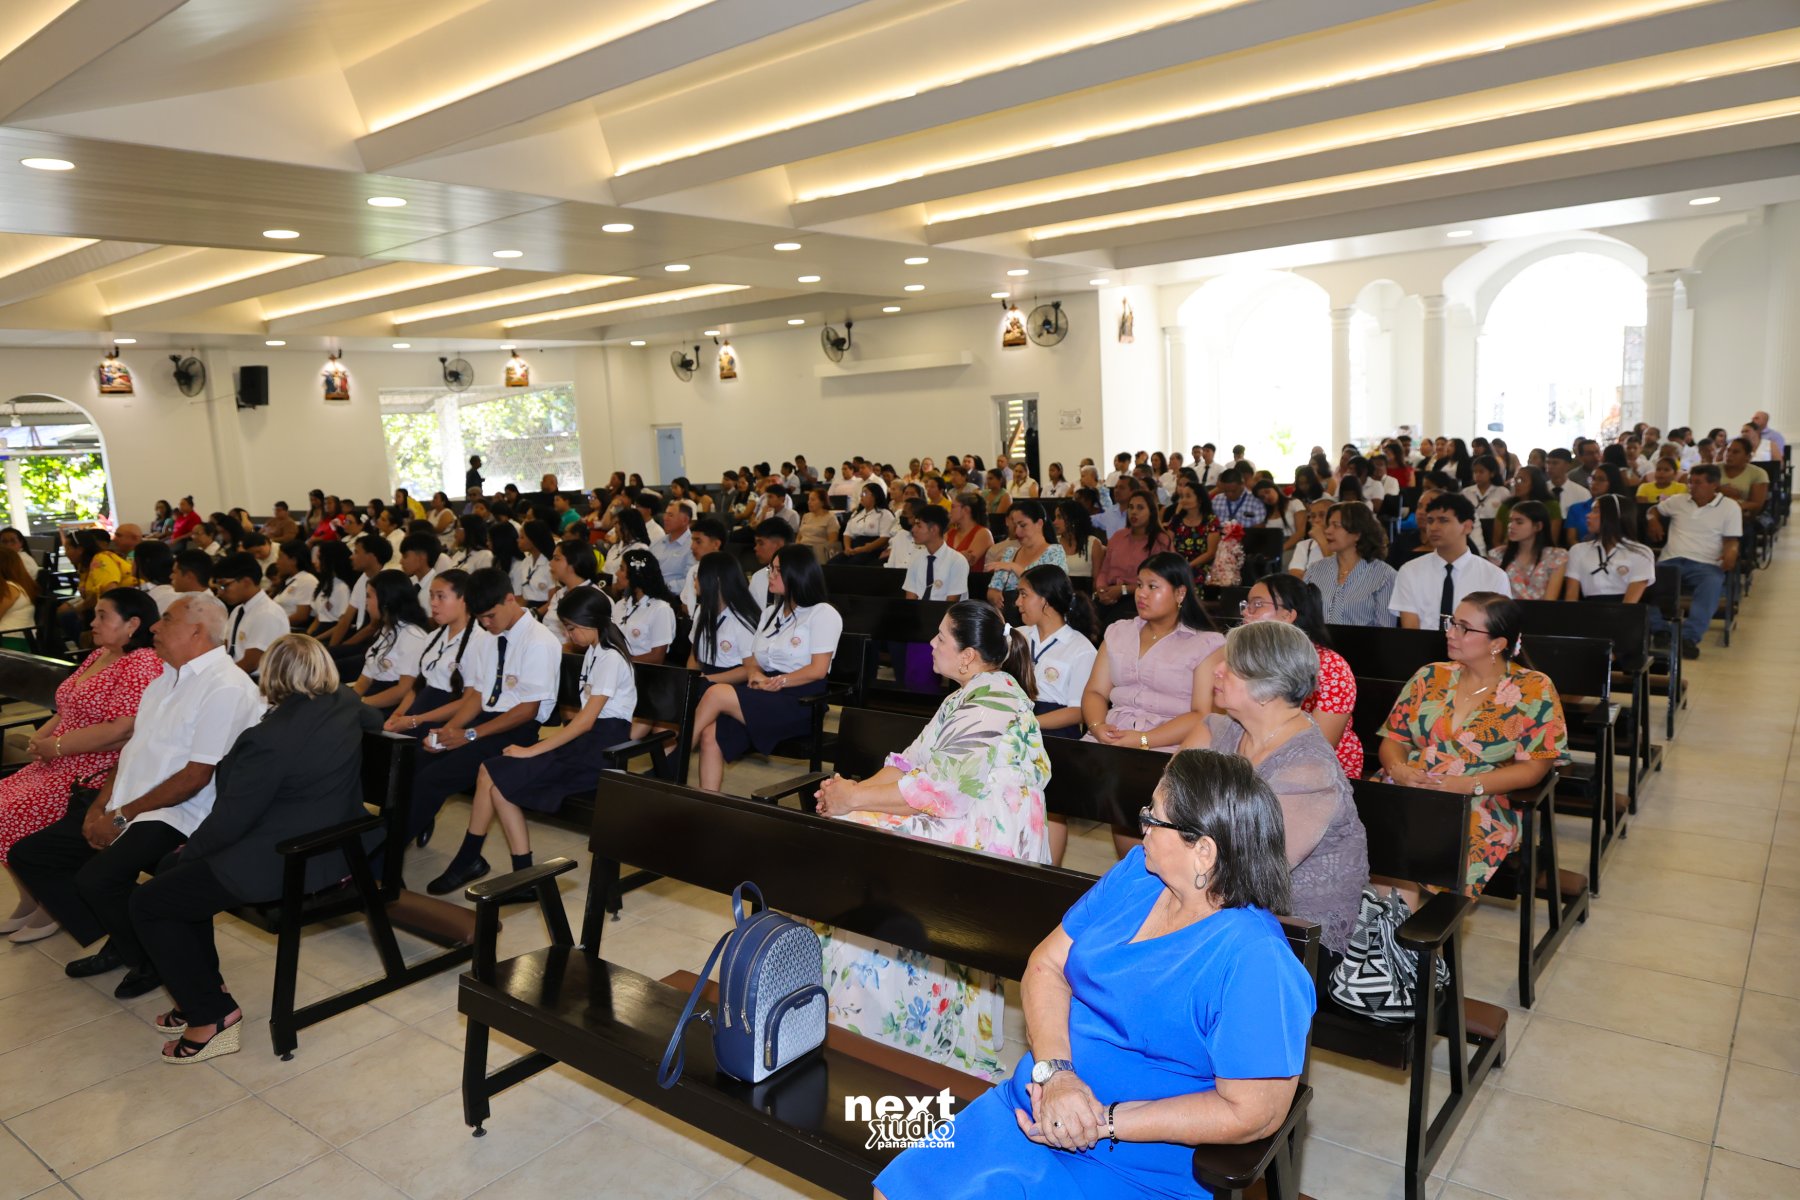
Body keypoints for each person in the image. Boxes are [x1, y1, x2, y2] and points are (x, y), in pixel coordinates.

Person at [873, 749, 1312, 1199]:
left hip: (1134, 1161)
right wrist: (1056, 1074)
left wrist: (1104, 1121)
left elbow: (1253, 1113)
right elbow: (1046, 965)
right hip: (1034, 1104)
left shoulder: (1255, 958)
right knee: (897, 1190)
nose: (1142, 827)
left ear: (1203, 851)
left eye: (1154, 818)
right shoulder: (1139, 876)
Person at [813, 600, 1050, 1077]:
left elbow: (941, 789)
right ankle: (859, 1008)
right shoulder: (966, 695)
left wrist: (855, 800)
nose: (931, 644)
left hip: (988, 838)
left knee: (863, 847)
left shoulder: (995, 699)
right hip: (962, 816)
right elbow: (907, 763)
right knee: (848, 830)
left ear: (967, 656)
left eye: (941, 638)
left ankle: (878, 1017)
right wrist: (850, 794)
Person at [129, 635, 382, 1062]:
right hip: (330, 847)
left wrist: (191, 850)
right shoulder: (343, 701)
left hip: (286, 858)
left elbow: (232, 818)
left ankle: (212, 1016)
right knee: (172, 877)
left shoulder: (270, 738)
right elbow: (375, 720)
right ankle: (204, 992)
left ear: (273, 676)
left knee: (149, 902)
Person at [9, 594, 263, 996]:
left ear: (197, 631)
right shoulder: (165, 678)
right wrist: (99, 805)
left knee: (98, 879)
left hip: (181, 812)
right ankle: (129, 937)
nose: (155, 627)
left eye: (167, 619)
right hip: (133, 800)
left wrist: (121, 816)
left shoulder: (226, 687)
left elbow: (196, 777)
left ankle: (149, 957)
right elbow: (131, 751)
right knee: (31, 855)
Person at [427, 590, 637, 895]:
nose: (569, 634)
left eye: (571, 627)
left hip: (600, 751)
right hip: (586, 742)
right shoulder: (595, 651)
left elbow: (586, 722)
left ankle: (480, 862)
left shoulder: (611, 658)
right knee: (495, 778)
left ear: (591, 622)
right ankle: (519, 876)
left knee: (495, 776)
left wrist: (532, 750)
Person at [1173, 621, 1367, 953]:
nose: (1216, 670)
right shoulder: (1213, 730)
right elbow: (1164, 812)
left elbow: (1249, 873)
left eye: (1231, 665)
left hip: (1295, 935)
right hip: (1216, 898)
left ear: (1267, 688)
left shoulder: (1310, 771)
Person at [1378, 592, 1567, 896]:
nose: (1450, 633)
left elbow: (1533, 768)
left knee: (1418, 847)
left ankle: (1406, 920)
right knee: (1369, 833)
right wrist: (1398, 769)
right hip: (1410, 785)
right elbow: (1393, 739)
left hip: (1483, 797)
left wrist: (1466, 785)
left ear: (1497, 644)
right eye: (1452, 623)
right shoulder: (1430, 675)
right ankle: (1387, 917)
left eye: (1464, 628)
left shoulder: (1533, 688)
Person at [0, 589, 162, 943]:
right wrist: (40, 739)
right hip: (63, 758)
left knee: (11, 811)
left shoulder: (141, 663)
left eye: (103, 615)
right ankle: (32, 897)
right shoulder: (101, 654)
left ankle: (51, 904)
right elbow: (67, 707)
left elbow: (120, 730)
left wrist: (56, 746)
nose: (92, 622)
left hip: (94, 770)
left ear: (133, 624)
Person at [406, 568, 562, 844]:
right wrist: (448, 730)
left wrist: (469, 735)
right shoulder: (488, 636)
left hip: (516, 731)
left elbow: (527, 710)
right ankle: (392, 839)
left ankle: (385, 855)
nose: (486, 624)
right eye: (480, 618)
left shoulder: (539, 640)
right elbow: (478, 694)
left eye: (490, 616)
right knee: (418, 760)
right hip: (484, 722)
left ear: (510, 599)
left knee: (434, 778)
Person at [693, 546, 841, 792]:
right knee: (711, 734)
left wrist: (778, 681)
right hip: (764, 692)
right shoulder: (770, 613)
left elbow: (818, 670)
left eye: (778, 570)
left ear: (797, 573)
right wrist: (755, 675)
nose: (770, 574)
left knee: (716, 692)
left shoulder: (822, 613)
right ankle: (707, 802)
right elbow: (753, 660)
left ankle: (672, 761)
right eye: (771, 568)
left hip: (800, 700)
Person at [1227, 574, 1361, 777]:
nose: (1246, 612)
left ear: (1287, 615)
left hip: (1317, 771)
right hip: (1254, 759)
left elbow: (1319, 746)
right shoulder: (1246, 659)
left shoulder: (1331, 668)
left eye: (1258, 604)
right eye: (1247, 604)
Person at [1644, 463, 1741, 660]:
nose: (1691, 487)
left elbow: (1732, 539)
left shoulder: (1730, 507)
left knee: (1712, 583)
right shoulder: (1678, 501)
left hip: (1706, 564)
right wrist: (1652, 519)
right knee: (1644, 581)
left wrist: (1731, 551)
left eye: (1698, 482)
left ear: (1714, 485)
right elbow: (1653, 509)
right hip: (1671, 560)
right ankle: (1660, 630)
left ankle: (1688, 638)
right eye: (1690, 482)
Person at [1389, 494, 1510, 629]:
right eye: (1430, 521)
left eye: (1443, 520)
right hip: (1421, 642)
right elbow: (1411, 630)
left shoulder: (1494, 576)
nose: (1433, 527)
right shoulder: (1410, 571)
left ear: (1467, 526)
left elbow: (1498, 629)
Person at [1302, 502, 1396, 627]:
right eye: (1328, 525)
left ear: (1357, 533)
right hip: (1318, 640)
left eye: (1336, 526)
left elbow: (1386, 629)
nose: (1327, 531)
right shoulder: (1315, 570)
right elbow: (1302, 616)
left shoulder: (1384, 576)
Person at [351, 569, 431, 711]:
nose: (366, 602)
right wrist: (350, 701)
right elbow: (366, 678)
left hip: (389, 706)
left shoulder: (413, 636)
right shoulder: (388, 628)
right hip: (372, 698)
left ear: (385, 600)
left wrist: (360, 704)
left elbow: (402, 691)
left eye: (369, 596)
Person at [1093, 491, 1172, 629]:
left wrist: (1123, 590)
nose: (1134, 512)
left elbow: (1161, 581)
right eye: (1131, 507)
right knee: (1086, 620)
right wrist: (1101, 589)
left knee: (1112, 625)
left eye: (1140, 508)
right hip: (1110, 592)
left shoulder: (1160, 541)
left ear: (1152, 512)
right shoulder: (1118, 537)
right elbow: (1104, 571)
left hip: (1139, 596)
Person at [1562, 495, 1656, 602]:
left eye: (1595, 511)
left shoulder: (1641, 552)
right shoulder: (1577, 550)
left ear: (1613, 516)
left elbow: (1630, 603)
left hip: (1625, 610)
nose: (1588, 515)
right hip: (1587, 609)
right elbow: (1571, 596)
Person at [213, 552, 288, 676]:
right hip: (237, 675)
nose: (220, 593)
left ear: (246, 582)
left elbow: (251, 663)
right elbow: (226, 648)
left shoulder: (267, 613)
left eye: (224, 585)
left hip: (258, 681)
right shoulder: (238, 610)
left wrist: (220, 678)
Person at [687, 552, 759, 678]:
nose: (695, 581)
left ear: (717, 580)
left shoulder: (743, 619)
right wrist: (691, 679)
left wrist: (708, 680)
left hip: (732, 682)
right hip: (705, 677)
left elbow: (750, 669)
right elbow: (694, 656)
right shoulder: (702, 610)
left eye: (698, 576)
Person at [987, 500, 1065, 616]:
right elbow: (993, 588)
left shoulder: (1054, 552)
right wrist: (994, 594)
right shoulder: (1010, 553)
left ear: (1039, 523)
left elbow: (1049, 588)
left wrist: (1014, 567)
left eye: (1023, 525)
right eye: (1015, 526)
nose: (1017, 532)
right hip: (1010, 617)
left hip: (1043, 617)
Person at [1488, 500, 1569, 601]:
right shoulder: (1497, 555)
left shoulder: (1556, 556)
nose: (1511, 526)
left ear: (1538, 526)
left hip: (1543, 609)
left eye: (1519, 522)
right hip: (1505, 610)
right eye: (1510, 521)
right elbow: (1493, 598)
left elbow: (1550, 601)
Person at [611, 547, 677, 665]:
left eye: (622, 569)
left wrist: (620, 663)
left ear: (636, 575)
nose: (616, 573)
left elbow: (657, 657)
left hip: (643, 672)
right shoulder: (621, 604)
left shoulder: (661, 609)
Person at [902, 505, 969, 602]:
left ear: (934, 529)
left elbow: (951, 604)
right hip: (919, 610)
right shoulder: (915, 557)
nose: (913, 530)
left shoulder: (957, 561)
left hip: (946, 611)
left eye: (919, 526)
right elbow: (910, 600)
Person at [1164, 481, 1220, 578]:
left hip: (1200, 567)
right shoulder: (1176, 519)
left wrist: (1188, 566)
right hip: (1177, 565)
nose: (1183, 500)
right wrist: (1177, 564)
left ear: (1200, 499)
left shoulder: (1211, 521)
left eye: (1188, 496)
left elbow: (1210, 553)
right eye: (1182, 497)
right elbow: (1168, 543)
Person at [840, 483, 898, 566]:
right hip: (854, 547)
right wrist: (847, 548)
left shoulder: (884, 514)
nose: (861, 496)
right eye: (861, 493)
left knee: (852, 564)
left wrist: (865, 548)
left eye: (864, 493)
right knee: (833, 563)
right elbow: (847, 533)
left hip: (873, 549)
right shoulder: (857, 513)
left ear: (874, 496)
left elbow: (885, 537)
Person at [268, 540, 319, 625]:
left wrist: (274, 624)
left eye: (280, 557)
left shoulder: (307, 580)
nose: (277, 562)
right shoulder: (289, 580)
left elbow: (301, 616)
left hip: (290, 628)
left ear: (294, 560)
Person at [1718, 437, 1770, 517]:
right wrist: (1719, 489)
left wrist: (1731, 507)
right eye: (1728, 450)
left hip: (1742, 516)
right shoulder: (1712, 469)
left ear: (1748, 457)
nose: (1729, 454)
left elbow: (1756, 505)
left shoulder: (1758, 474)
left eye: (1735, 452)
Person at [946, 492, 994, 574]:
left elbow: (966, 562)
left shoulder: (983, 533)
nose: (950, 511)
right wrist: (959, 556)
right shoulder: (950, 532)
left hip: (972, 580)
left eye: (953, 507)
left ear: (966, 509)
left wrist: (947, 558)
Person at [652, 501, 695, 592]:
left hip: (673, 595)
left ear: (685, 520)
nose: (665, 518)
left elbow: (691, 580)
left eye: (670, 515)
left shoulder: (693, 546)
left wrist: (664, 588)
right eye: (665, 514)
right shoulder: (657, 542)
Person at [511, 520, 555, 603]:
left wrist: (535, 611)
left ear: (533, 540)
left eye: (522, 537)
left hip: (546, 608)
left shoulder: (551, 564)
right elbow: (524, 597)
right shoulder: (526, 562)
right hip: (529, 606)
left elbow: (552, 601)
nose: (518, 540)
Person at [797, 487, 841, 563]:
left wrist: (817, 550)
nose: (809, 502)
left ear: (822, 502)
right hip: (803, 549)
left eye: (812, 500)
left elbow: (832, 541)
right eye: (808, 499)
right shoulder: (806, 516)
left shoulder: (830, 517)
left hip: (819, 551)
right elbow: (799, 537)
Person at [1461, 455, 1511, 521]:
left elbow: (1507, 516)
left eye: (1481, 472)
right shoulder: (1466, 492)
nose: (1477, 475)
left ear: (1492, 473)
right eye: (1475, 472)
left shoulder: (1502, 492)